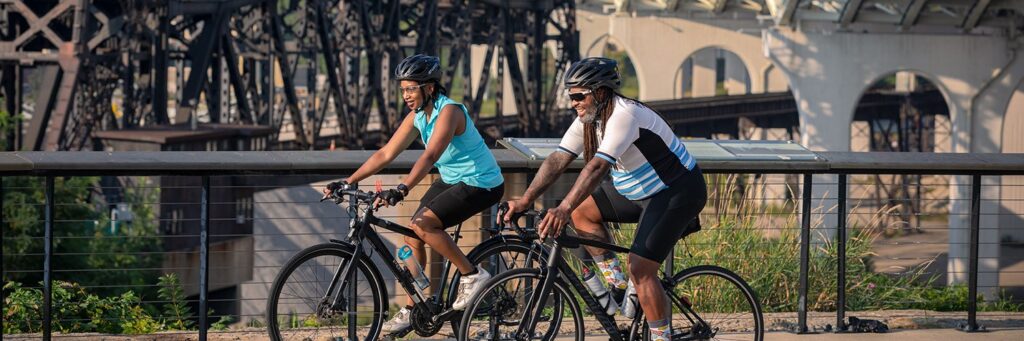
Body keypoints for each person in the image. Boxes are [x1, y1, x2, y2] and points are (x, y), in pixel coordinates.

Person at [500, 57, 707, 340]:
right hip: (636, 192)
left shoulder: (624, 115)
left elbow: (597, 167)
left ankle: (662, 337)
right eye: (570, 96)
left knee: (640, 268)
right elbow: (558, 159)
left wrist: (562, 207)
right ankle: (618, 285)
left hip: (676, 191)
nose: (573, 102)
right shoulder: (589, 120)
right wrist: (525, 200)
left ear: (599, 92)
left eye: (578, 96)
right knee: (582, 212)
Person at [324, 54, 504, 333]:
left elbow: (430, 155)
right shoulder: (418, 116)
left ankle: (472, 274)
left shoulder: (450, 112)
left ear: (429, 87)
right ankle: (413, 307)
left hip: (482, 181)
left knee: (424, 224)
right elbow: (385, 153)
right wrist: (348, 181)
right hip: (453, 179)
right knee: (411, 236)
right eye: (402, 90)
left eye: (411, 89)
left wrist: (402, 188)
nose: (406, 95)